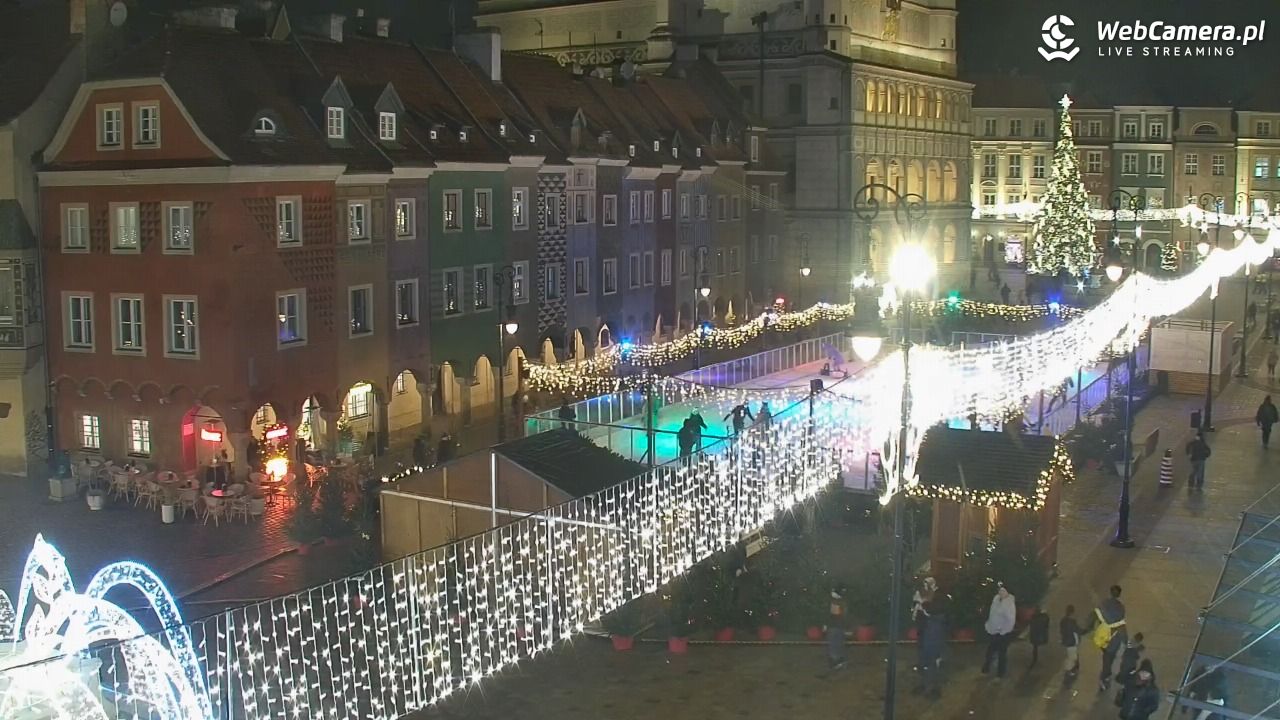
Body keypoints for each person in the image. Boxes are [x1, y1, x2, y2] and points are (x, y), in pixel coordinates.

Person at [1083, 585, 1128, 692]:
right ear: (1119, 594)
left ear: (1110, 592)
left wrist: (1086, 629)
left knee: (1106, 654)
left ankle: (1105, 674)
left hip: (1102, 635)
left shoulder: (1103, 604)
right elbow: (1121, 626)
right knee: (1109, 658)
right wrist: (1126, 640)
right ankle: (1104, 677)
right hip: (1114, 638)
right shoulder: (1121, 608)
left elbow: (1092, 617)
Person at [981, 582, 1017, 678]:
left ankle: (1000, 674)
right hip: (993, 630)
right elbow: (992, 613)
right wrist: (988, 624)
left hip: (1003, 633)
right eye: (1000, 590)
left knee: (1002, 653)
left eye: (1003, 591)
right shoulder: (996, 599)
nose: (1001, 592)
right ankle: (986, 667)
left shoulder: (1009, 604)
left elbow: (1011, 620)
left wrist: (1004, 630)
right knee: (990, 650)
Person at [916, 594, 948, 700]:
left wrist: (923, 605)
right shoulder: (929, 619)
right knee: (925, 665)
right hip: (926, 643)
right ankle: (925, 685)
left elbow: (940, 638)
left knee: (933, 666)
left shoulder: (937, 621)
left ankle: (935, 689)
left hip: (933, 645)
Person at [826, 587, 848, 670]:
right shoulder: (839, 602)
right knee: (836, 644)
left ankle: (837, 661)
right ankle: (837, 661)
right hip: (836, 627)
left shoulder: (837, 602)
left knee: (836, 644)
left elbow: (836, 615)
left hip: (836, 627)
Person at [1060, 604, 1081, 678]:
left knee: (1071, 655)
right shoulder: (1072, 622)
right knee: (1072, 657)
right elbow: (1077, 630)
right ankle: (1069, 671)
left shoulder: (1063, 620)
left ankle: (1071, 669)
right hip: (1072, 641)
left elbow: (1062, 631)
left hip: (1066, 640)